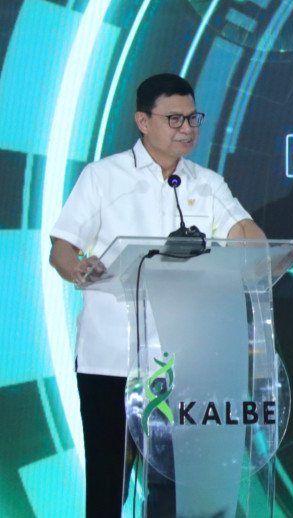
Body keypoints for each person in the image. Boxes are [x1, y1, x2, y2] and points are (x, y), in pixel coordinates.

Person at [47, 73, 266, 517]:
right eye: (174, 119)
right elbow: (62, 249)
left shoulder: (206, 183)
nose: (187, 129)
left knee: (174, 486)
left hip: (186, 362)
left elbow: (250, 240)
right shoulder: (103, 177)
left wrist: (251, 243)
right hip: (112, 358)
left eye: (193, 118)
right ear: (143, 122)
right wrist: (79, 267)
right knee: (109, 480)